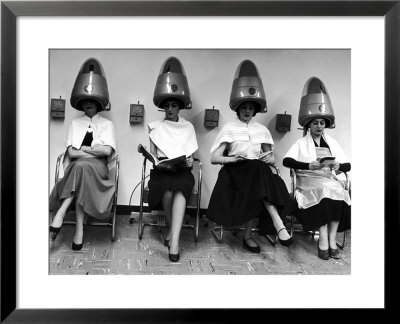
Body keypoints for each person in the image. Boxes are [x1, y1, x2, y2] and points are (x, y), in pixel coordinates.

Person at [207, 60, 293, 254]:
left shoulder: (262, 130)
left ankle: (253, 233)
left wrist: (267, 159)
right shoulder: (229, 128)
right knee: (260, 173)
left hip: (257, 173)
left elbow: (272, 160)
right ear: (238, 108)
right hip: (235, 174)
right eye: (244, 107)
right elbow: (214, 158)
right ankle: (276, 225)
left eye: (251, 108)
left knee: (260, 169)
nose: (247, 111)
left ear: (255, 109)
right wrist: (233, 158)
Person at [49, 58, 117, 251]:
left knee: (81, 166)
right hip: (79, 167)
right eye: (85, 100)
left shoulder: (107, 124)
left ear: (98, 103)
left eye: (92, 100)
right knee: (80, 168)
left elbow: (106, 151)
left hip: (99, 168)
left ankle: (62, 212)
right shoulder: (75, 124)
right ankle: (79, 230)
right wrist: (91, 151)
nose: (88, 103)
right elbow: (70, 151)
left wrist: (84, 150)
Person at [283, 76, 351, 260]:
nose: (319, 126)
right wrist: (308, 165)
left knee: (337, 190)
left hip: (327, 179)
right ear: (309, 125)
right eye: (315, 123)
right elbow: (286, 161)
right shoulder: (300, 142)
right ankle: (322, 238)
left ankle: (331, 240)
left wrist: (338, 165)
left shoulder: (332, 143)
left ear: (325, 124)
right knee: (324, 191)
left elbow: (348, 165)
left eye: (322, 123)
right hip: (308, 181)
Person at [146, 57, 198, 262]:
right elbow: (153, 155)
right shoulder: (154, 126)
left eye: (174, 105)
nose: (169, 109)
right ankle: (171, 229)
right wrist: (155, 159)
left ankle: (174, 240)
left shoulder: (188, 127)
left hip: (182, 171)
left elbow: (191, 156)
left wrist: (190, 162)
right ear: (163, 107)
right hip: (162, 171)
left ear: (179, 107)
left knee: (181, 187)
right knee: (166, 191)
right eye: (166, 105)